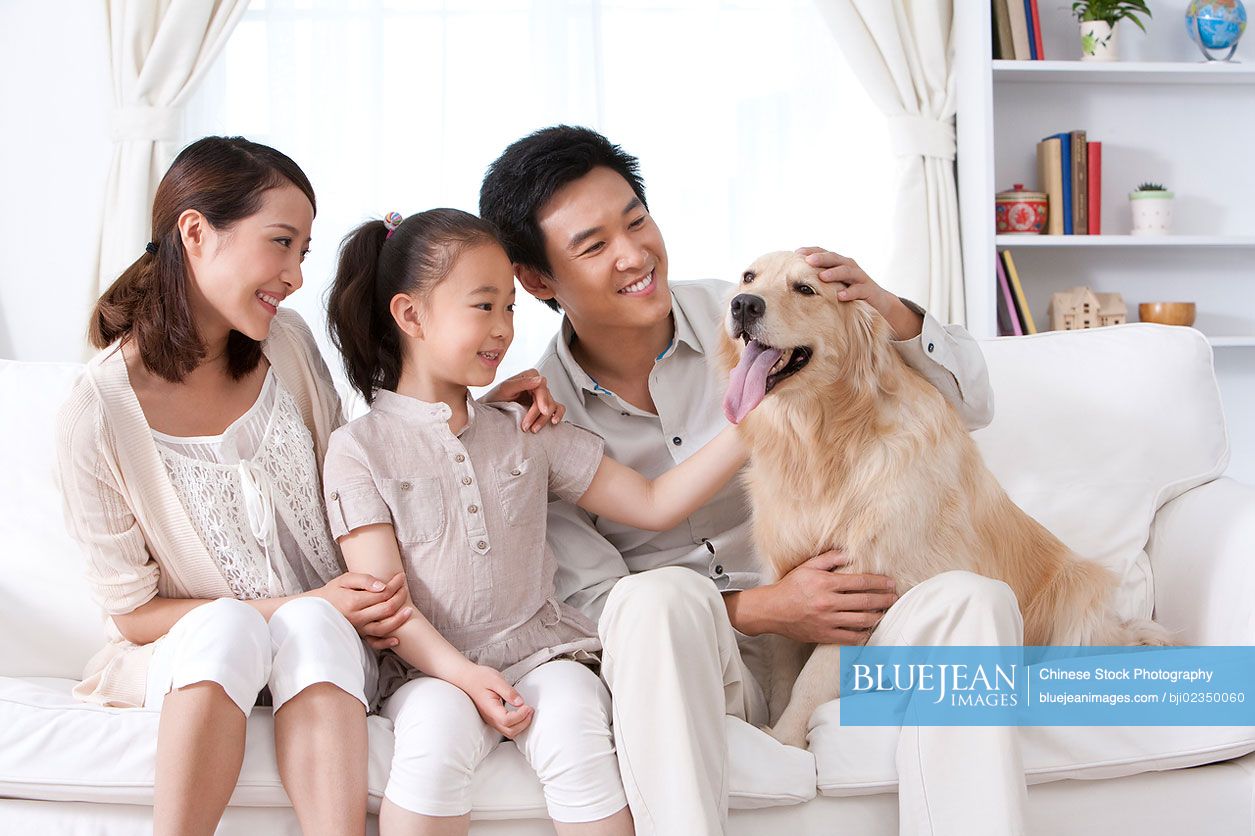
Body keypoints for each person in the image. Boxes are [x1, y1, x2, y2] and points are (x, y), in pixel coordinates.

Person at [478, 125, 1027, 836]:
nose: (633, 254)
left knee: (971, 599)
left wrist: (888, 310)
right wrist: (765, 608)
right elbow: (588, 610)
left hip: (852, 643)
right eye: (593, 245)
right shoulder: (535, 419)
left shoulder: (759, 305)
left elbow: (973, 404)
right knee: (656, 598)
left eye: (637, 221)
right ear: (537, 280)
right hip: (702, 665)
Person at [56, 137, 556, 836]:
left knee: (313, 622)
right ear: (195, 232)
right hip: (196, 654)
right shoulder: (98, 412)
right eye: (280, 243)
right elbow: (133, 615)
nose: (293, 275)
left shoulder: (284, 345)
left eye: (303, 252)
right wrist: (296, 601)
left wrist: (472, 415)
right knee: (232, 622)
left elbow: (364, 462)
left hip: (327, 636)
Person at [322, 207, 752, 836]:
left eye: (509, 310)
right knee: (436, 732)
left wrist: (755, 420)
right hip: (429, 668)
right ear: (410, 316)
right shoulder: (359, 449)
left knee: (577, 712)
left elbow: (655, 501)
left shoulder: (526, 430)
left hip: (544, 652)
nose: (502, 329)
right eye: (483, 306)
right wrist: (466, 677)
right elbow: (387, 607)